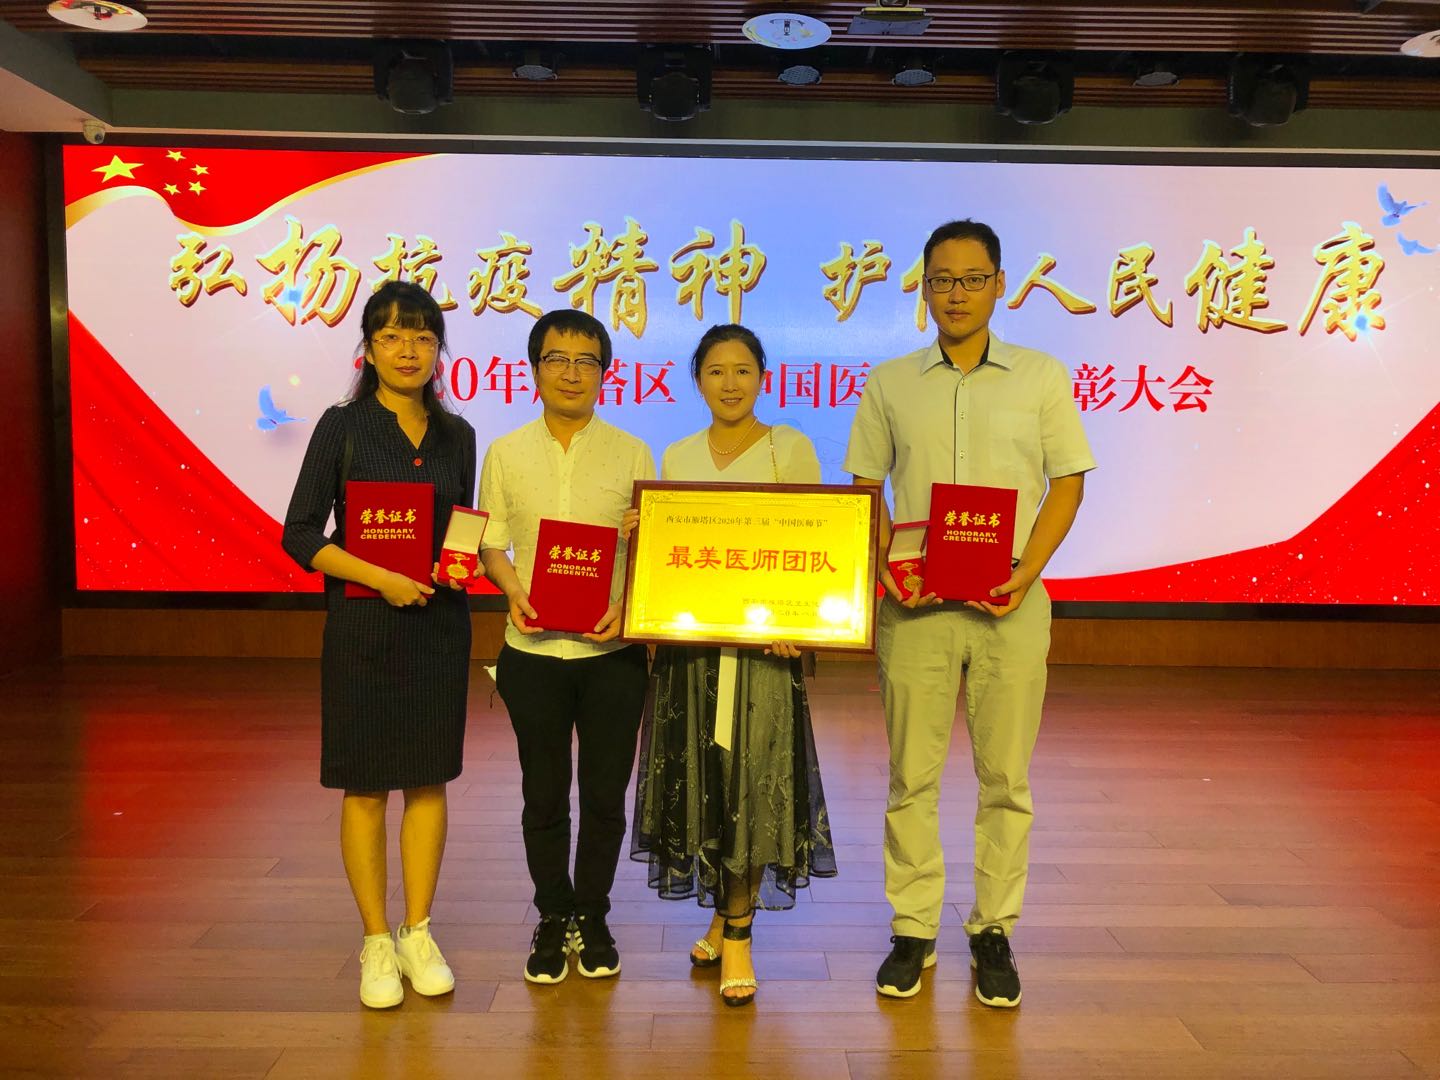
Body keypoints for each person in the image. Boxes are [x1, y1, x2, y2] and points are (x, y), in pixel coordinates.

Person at [843, 219, 1096, 1008]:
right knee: (910, 777)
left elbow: (1068, 481)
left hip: (1009, 606)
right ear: (923, 287)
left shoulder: (1041, 376)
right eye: (943, 280)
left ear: (999, 284)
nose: (957, 294)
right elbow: (866, 488)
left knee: (1006, 778)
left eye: (973, 278)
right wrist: (890, 571)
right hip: (916, 608)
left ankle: (993, 929)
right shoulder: (890, 382)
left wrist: (1026, 572)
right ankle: (913, 927)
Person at [627, 324, 837, 1008]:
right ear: (697, 381)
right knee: (704, 783)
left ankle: (740, 934)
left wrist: (799, 628)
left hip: (763, 657)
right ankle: (724, 911)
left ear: (763, 377)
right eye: (716, 370)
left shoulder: (790, 447)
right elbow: (674, 557)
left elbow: (813, 546)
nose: (730, 382)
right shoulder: (678, 454)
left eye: (743, 370)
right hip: (692, 655)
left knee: (751, 784)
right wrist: (645, 536)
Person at [281, 280, 477, 1009]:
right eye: (392, 336)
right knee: (365, 785)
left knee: (428, 780)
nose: (408, 350)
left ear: (438, 350)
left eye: (423, 337)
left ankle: (417, 931)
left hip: (437, 629)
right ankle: (374, 940)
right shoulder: (344, 427)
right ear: (367, 348)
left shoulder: (458, 434)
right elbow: (301, 535)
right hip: (363, 630)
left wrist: (456, 561)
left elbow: (460, 527)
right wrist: (381, 577)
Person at [479, 309, 655, 985]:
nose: (572, 373)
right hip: (530, 653)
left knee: (606, 797)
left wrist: (626, 604)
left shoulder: (633, 452)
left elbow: (646, 550)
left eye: (586, 361)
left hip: (611, 657)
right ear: (535, 369)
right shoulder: (505, 452)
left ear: (605, 372)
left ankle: (593, 912)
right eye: (558, 359)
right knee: (544, 795)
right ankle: (553, 914)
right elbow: (492, 542)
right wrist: (511, 588)